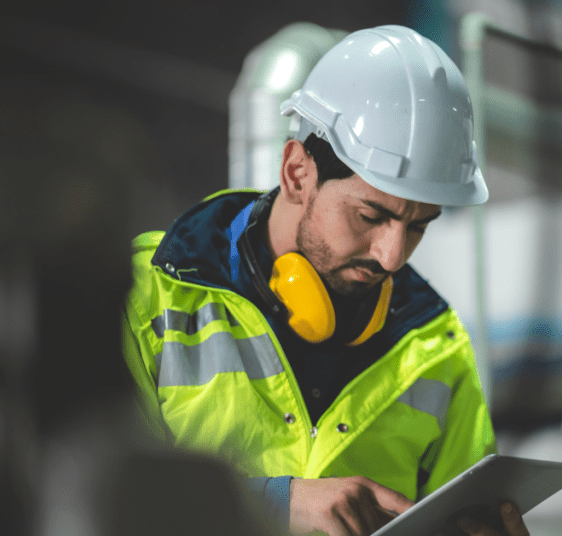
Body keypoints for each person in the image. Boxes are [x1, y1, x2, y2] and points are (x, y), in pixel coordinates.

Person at [122, 25, 529, 536]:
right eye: (370, 215)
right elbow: (83, 503)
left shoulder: (435, 347)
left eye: (419, 224)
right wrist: (273, 503)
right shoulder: (149, 297)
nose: (392, 257)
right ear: (297, 173)